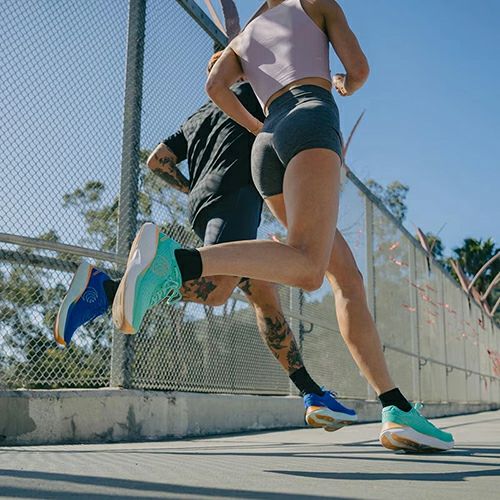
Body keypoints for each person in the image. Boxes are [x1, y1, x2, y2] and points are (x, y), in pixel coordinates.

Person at [114, 0, 455, 452]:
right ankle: (177, 263)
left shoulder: (245, 35)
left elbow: (215, 87)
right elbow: (359, 70)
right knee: (309, 268)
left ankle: (395, 408)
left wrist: (258, 126)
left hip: (267, 146)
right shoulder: (316, 3)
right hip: (310, 118)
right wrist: (344, 84)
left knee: (346, 278)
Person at [55, 51, 356, 432]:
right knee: (215, 290)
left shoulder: (197, 116)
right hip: (236, 197)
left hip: (203, 204)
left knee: (264, 297)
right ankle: (104, 289)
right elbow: (284, 139)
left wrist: (191, 189)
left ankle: (311, 392)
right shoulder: (257, 95)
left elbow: (158, 160)